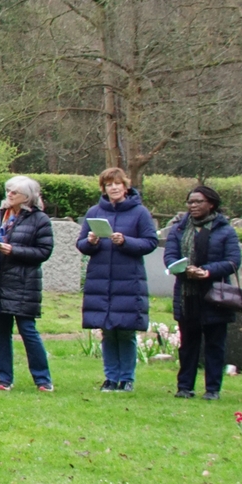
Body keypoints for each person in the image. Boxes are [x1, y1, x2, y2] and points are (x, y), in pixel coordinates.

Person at [77, 167, 159, 393]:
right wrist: (91, 242)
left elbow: (150, 242)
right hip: (100, 280)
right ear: (103, 188)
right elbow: (81, 244)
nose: (113, 188)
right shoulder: (94, 212)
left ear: (125, 186)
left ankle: (127, 378)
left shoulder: (140, 212)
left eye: (117, 184)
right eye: (108, 184)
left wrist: (125, 241)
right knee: (107, 331)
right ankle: (111, 378)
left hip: (128, 279)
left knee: (125, 330)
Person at [0, 175, 55, 392]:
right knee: (1, 331)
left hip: (23, 282)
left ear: (27, 197)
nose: (9, 195)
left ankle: (43, 379)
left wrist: (14, 251)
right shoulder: (1, 216)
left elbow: (44, 251)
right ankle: (4, 379)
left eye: (14, 192)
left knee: (27, 330)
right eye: (8, 191)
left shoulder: (39, 219)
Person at [162, 185, 240, 400]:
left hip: (215, 295)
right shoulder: (179, 230)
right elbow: (170, 257)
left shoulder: (225, 230)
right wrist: (184, 269)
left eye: (198, 202)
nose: (193, 205)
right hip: (187, 295)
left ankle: (212, 389)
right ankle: (184, 387)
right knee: (188, 344)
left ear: (211, 204)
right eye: (190, 202)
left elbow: (233, 261)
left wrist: (207, 271)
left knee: (215, 344)